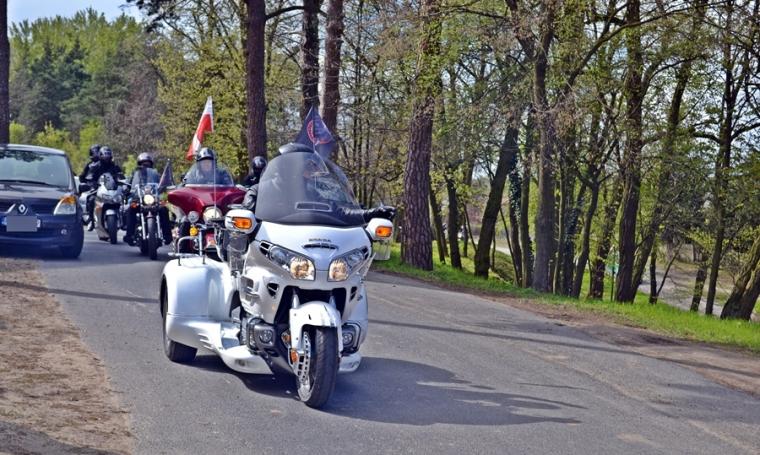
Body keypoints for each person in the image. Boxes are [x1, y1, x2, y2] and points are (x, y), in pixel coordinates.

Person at [123, 152, 173, 246]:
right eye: (143, 163)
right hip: (138, 197)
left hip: (153, 198)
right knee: (131, 209)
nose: (145, 165)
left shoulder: (155, 173)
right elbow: (128, 183)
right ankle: (129, 235)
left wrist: (164, 187)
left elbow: (161, 183)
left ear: (151, 164)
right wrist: (126, 188)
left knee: (163, 209)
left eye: (147, 163)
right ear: (139, 164)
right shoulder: (135, 173)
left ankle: (167, 236)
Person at [86, 146, 124, 231]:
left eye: (108, 155)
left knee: (123, 200)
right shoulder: (95, 166)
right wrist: (92, 185)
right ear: (100, 156)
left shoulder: (115, 166)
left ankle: (123, 221)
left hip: (113, 190)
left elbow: (121, 177)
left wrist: (123, 184)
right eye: (104, 155)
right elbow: (90, 177)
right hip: (99, 189)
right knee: (91, 199)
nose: (106, 157)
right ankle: (91, 221)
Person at [79, 144, 101, 227]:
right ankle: (91, 219)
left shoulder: (107, 164)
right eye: (94, 152)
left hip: (104, 188)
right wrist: (86, 183)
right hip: (93, 188)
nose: (96, 154)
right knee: (91, 199)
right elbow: (82, 176)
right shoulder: (89, 165)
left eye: (97, 152)